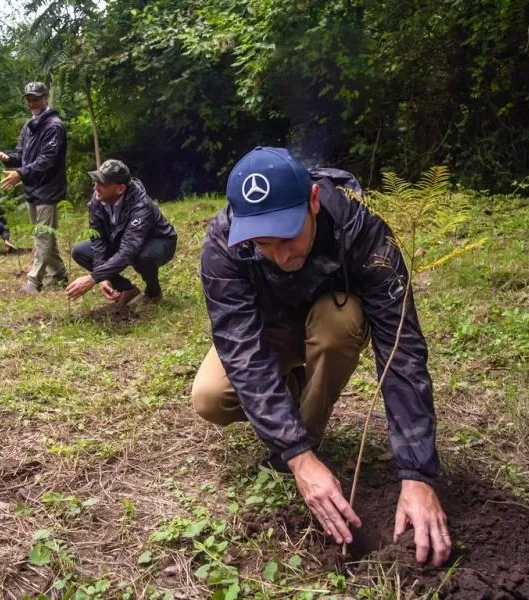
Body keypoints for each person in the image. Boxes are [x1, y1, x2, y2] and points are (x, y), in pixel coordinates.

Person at [192, 146, 451, 567]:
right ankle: (297, 443)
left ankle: (307, 433)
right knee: (210, 396)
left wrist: (417, 475)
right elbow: (241, 348)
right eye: (262, 243)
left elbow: (400, 354)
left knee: (340, 319)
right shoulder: (225, 242)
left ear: (313, 201)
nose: (280, 255)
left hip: (329, 323)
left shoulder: (362, 230)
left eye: (287, 236)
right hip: (268, 333)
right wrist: (297, 459)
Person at [0, 81, 68, 292]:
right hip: (32, 187)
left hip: (49, 188)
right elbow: (22, 155)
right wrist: (8, 159)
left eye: (36, 98)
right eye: (29, 99)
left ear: (46, 98)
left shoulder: (54, 126)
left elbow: (46, 160)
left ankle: (34, 280)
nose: (32, 102)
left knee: (42, 235)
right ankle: (59, 274)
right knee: (44, 234)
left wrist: (20, 174)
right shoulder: (29, 126)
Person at [65, 159, 177, 306]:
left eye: (102, 183)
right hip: (123, 240)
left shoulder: (141, 205)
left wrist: (93, 278)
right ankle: (127, 289)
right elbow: (98, 240)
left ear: (120, 189)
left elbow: (129, 250)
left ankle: (153, 293)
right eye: (96, 181)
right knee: (81, 251)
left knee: (144, 257)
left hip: (158, 241)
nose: (96, 187)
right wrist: (103, 276)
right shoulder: (97, 200)